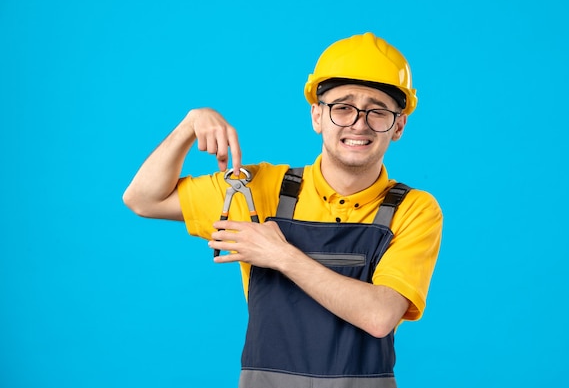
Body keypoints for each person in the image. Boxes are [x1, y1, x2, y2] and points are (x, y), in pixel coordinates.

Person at [123, 32, 443, 388]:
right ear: (317, 116)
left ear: (398, 126)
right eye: (342, 108)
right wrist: (189, 125)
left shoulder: (414, 209)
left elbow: (380, 315)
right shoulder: (256, 189)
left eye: (377, 111)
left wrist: (281, 255)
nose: (358, 123)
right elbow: (143, 199)